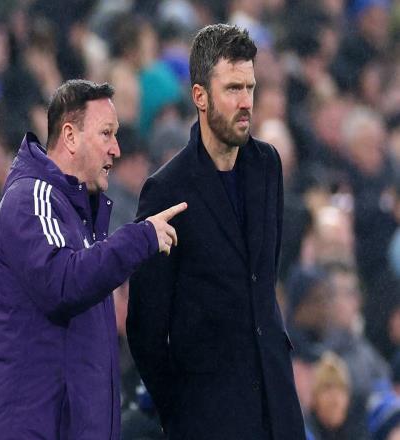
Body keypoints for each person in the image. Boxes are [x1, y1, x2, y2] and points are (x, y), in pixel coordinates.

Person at [0, 79, 186, 440]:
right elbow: (61, 281)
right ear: (70, 136)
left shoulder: (77, 214)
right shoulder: (31, 198)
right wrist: (140, 237)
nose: (116, 149)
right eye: (106, 134)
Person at [127, 24, 306, 439]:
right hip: (208, 417)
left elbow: (262, 280)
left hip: (277, 407)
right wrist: (180, 413)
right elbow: (145, 327)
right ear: (200, 96)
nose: (246, 102)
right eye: (233, 89)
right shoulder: (166, 190)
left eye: (250, 88)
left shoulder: (268, 166)